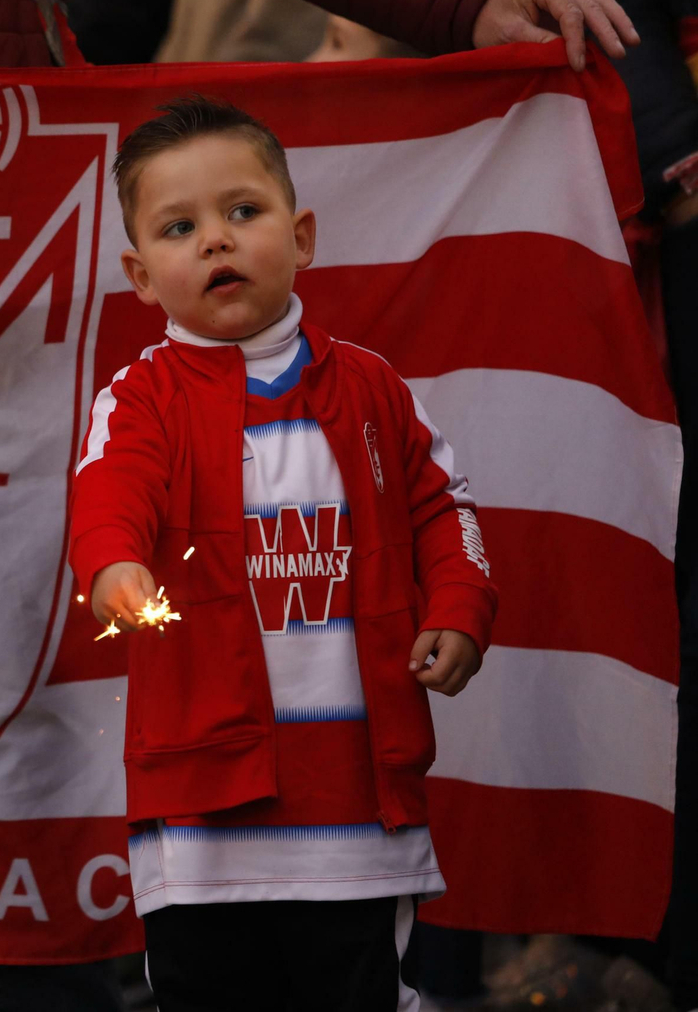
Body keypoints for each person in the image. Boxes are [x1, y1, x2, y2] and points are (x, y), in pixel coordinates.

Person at [69, 94, 498, 1010]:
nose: (216, 241)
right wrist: (113, 563)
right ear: (141, 277)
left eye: (243, 210)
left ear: (301, 237)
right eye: (180, 228)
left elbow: (446, 509)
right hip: (200, 812)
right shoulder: (138, 399)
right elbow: (108, 491)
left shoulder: (374, 387)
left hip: (354, 806)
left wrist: (460, 607)